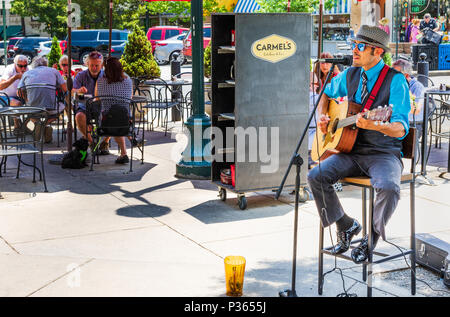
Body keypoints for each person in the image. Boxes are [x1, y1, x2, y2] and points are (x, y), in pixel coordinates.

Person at [307, 25, 411, 264]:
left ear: (377, 52)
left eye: (360, 46)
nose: (354, 50)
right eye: (354, 45)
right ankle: (346, 224)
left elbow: (400, 127)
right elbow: (326, 92)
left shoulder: (396, 81)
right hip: (351, 151)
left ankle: (371, 238)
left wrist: (375, 125)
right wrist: (324, 118)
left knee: (388, 187)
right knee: (316, 175)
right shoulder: (350, 74)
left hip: (383, 153)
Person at [17, 56, 68, 143]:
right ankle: (45, 125)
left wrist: (26, 99)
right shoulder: (54, 71)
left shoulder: (27, 73)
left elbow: (19, 92)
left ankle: (39, 124)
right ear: (46, 64)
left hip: (32, 108)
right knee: (61, 108)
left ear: (33, 65)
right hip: (51, 108)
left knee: (32, 115)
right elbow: (65, 89)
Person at [94, 57, 133, 164]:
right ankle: (124, 146)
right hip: (126, 120)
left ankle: (121, 151)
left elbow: (96, 99)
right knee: (117, 116)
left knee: (112, 118)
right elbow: (130, 98)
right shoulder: (128, 79)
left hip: (106, 122)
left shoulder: (101, 81)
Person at [73, 51, 107, 153]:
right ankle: (91, 142)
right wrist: (78, 91)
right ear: (87, 64)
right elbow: (72, 91)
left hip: (102, 107)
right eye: (92, 65)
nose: (94, 68)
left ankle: (105, 142)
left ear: (101, 65)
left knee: (112, 116)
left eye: (97, 65)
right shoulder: (81, 75)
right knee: (79, 117)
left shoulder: (106, 76)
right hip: (85, 106)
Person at [392, 59, 425, 135]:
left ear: (406, 75)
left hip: (412, 124)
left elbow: (415, 110)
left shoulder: (417, 87)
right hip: (396, 121)